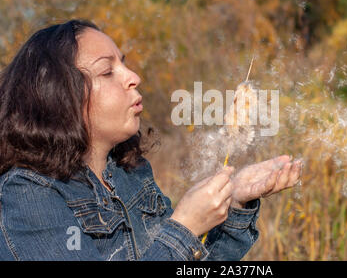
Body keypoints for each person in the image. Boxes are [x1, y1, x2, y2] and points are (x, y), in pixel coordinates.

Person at [0, 19, 302, 261]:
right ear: (57, 96)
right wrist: (185, 227)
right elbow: (176, 244)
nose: (133, 76)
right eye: (107, 71)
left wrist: (235, 201)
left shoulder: (129, 173)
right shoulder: (28, 196)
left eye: (124, 63)